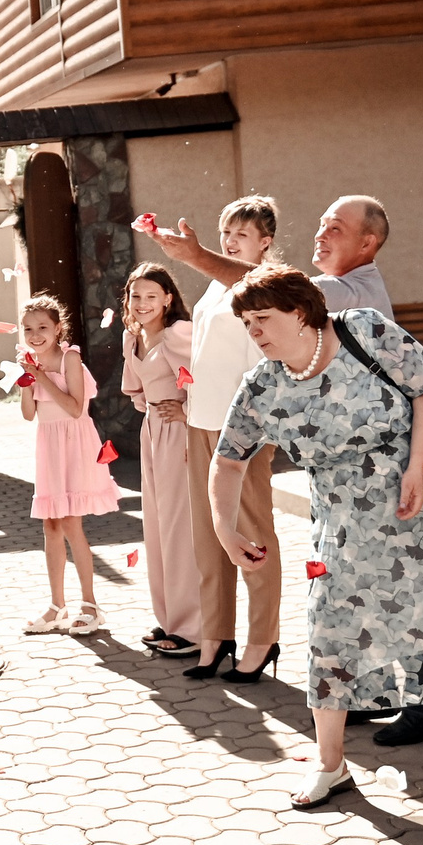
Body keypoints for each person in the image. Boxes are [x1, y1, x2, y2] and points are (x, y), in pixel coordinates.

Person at [208, 268, 423, 806]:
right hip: (341, 532)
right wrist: (225, 528)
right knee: (329, 633)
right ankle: (330, 764)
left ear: (300, 311)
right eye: (246, 322)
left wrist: (415, 467)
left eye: (263, 318)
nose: (255, 331)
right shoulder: (263, 385)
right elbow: (227, 462)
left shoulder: (363, 330)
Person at [169, 197, 284, 683]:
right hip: (201, 420)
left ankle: (262, 639)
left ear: (265, 242)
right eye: (227, 232)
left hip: (245, 425)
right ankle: (215, 637)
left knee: (252, 531)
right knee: (209, 533)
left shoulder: (264, 285)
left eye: (242, 233)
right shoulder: (215, 288)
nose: (231, 240)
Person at [18, 293, 116, 637]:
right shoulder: (30, 364)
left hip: (74, 445)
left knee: (72, 524)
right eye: (28, 328)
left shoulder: (69, 359)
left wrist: (42, 377)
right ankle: (56, 606)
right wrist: (26, 381)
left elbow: (76, 409)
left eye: (43, 327)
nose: (35, 334)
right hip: (49, 446)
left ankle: (90, 605)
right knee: (51, 527)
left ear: (58, 329)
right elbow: (29, 414)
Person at [119, 263, 197, 656]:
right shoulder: (132, 338)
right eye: (136, 296)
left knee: (181, 529)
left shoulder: (177, 333)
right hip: (152, 432)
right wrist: (153, 410)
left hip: (181, 434)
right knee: (157, 524)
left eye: (152, 296)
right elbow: (135, 389)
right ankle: (168, 618)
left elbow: (208, 376)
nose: (143, 303)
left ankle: (193, 629)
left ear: (168, 298)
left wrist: (187, 413)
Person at [150, 193, 394, 318]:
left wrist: (196, 255)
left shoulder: (355, 293)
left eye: (335, 228)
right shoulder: (215, 290)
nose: (320, 235)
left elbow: (273, 285)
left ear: (366, 243)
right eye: (321, 225)